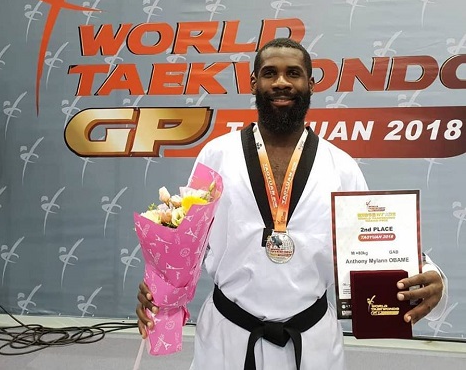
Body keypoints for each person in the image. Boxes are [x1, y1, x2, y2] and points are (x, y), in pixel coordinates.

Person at [137, 38, 445, 370]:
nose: (281, 82)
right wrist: (159, 287)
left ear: (310, 83)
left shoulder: (341, 166)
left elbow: (371, 241)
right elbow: (187, 241)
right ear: (254, 82)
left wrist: (427, 274)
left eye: (293, 73)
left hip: (311, 337)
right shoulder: (216, 156)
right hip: (228, 335)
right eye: (270, 73)